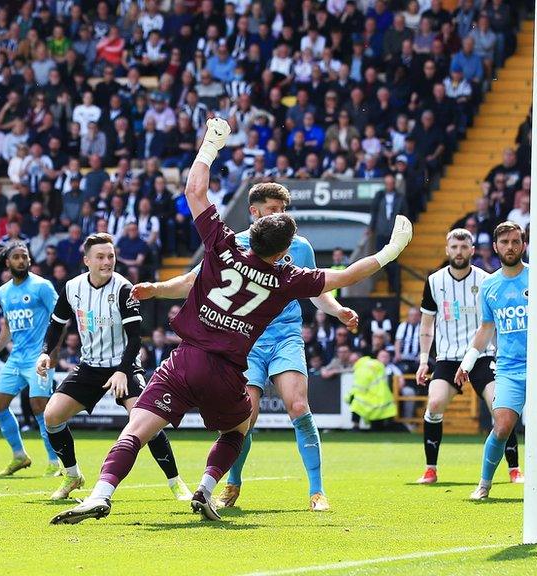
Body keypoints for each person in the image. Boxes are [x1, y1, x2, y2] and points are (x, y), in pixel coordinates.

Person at [51, 117, 413, 524]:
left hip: (185, 360)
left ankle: (101, 494)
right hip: (226, 370)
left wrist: (211, 145)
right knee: (239, 428)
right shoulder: (284, 278)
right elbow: (346, 275)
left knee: (136, 430)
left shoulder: (222, 245)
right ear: (280, 250)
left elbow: (194, 190)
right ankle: (207, 489)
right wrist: (392, 250)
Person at [138, 181, 360, 511]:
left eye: (283, 210)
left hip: (285, 335)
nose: (280, 216)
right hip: (245, 341)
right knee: (245, 416)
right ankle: (232, 483)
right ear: (254, 212)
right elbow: (191, 282)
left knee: (298, 406)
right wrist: (157, 288)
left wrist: (338, 310)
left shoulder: (299, 245)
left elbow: (315, 288)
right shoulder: (231, 244)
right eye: (273, 210)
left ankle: (317, 490)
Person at [36, 232, 192, 502]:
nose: (107, 261)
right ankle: (72, 475)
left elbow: (135, 339)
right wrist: (45, 353)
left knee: (148, 424)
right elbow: (56, 325)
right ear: (86, 260)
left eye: (111, 256)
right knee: (52, 416)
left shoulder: (123, 288)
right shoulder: (72, 288)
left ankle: (175, 482)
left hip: (125, 365)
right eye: (100, 257)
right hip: (89, 367)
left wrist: (121, 370)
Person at [456, 222, 537, 500]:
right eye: (504, 242)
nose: (510, 247)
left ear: (523, 244)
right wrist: (467, 362)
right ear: (495, 247)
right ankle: (484, 484)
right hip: (508, 369)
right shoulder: (490, 286)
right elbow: (486, 328)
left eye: (516, 241)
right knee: (502, 427)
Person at [414, 229, 523, 485]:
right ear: (447, 249)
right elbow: (427, 324)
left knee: (501, 407)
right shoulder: (434, 281)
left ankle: (514, 469)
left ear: (472, 250)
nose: (459, 252)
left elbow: (495, 322)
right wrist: (422, 360)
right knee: (435, 404)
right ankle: (431, 469)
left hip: (482, 355)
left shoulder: (487, 280)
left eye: (464, 247)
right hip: (448, 356)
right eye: (454, 247)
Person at [0, 241, 63, 476]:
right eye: (16, 257)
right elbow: (8, 325)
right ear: (8, 262)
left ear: (30, 260)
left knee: (40, 408)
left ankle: (54, 462)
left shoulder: (42, 286)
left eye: (24, 256)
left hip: (39, 358)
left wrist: (52, 354)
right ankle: (19, 455)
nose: (21, 261)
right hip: (16, 358)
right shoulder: (4, 291)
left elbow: (60, 319)